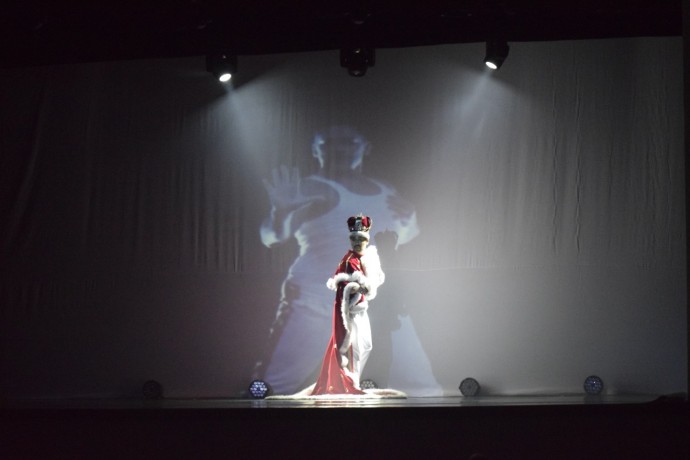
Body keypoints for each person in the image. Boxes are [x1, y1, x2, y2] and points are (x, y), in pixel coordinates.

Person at [253, 125, 426, 395]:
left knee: (420, 384)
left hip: (376, 304)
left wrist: (410, 220)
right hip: (314, 302)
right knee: (274, 384)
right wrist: (280, 212)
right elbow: (271, 236)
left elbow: (403, 236)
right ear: (316, 150)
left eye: (348, 143)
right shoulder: (311, 188)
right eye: (329, 144)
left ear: (364, 148)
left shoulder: (385, 190)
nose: (339, 150)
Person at [311, 214, 384, 394]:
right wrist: (356, 287)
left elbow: (374, 280)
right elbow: (342, 286)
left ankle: (353, 380)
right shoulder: (348, 260)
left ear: (366, 241)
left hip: (361, 309)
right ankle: (353, 383)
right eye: (354, 239)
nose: (357, 242)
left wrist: (365, 287)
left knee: (366, 345)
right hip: (351, 313)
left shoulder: (364, 259)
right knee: (355, 348)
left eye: (361, 239)